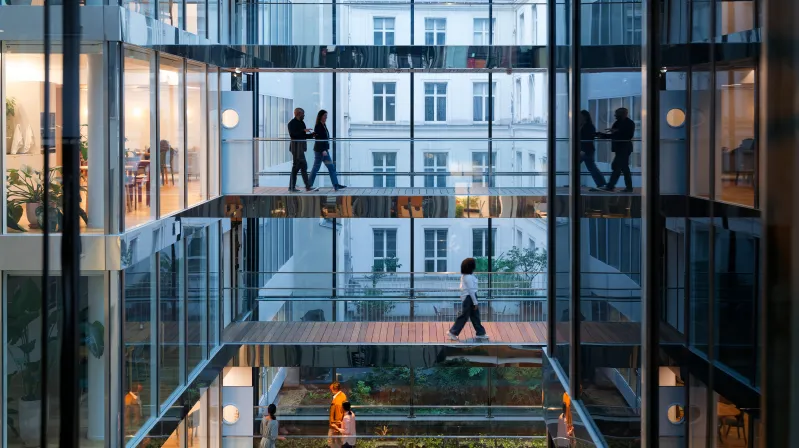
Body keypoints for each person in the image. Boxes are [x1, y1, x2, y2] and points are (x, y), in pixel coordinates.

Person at [447, 258, 488, 341]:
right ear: (471, 266)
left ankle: (480, 333)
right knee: (465, 316)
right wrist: (475, 302)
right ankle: (453, 332)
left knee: (475, 316)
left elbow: (463, 288)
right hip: (470, 297)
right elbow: (471, 290)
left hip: (468, 297)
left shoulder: (465, 276)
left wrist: (463, 297)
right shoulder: (468, 277)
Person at [597, 107, 636, 192]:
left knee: (618, 167)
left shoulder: (629, 123)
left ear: (623, 114)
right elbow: (613, 135)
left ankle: (611, 185)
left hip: (624, 148)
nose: (615, 116)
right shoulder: (618, 123)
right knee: (622, 167)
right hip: (620, 148)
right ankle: (626, 187)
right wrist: (602, 135)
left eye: (617, 114)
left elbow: (628, 135)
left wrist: (616, 131)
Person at [309, 109, 346, 191]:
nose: (326, 117)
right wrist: (323, 150)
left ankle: (335, 185)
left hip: (324, 151)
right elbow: (318, 139)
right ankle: (309, 185)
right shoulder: (318, 126)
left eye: (326, 115)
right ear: (321, 116)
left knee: (331, 167)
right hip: (320, 151)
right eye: (325, 115)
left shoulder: (323, 125)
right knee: (316, 168)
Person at [287, 108, 318, 192]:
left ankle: (301, 186)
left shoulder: (302, 123)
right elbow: (293, 135)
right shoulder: (291, 123)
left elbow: (302, 136)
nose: (304, 115)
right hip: (296, 148)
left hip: (300, 148)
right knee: (299, 166)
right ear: (298, 113)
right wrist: (303, 131)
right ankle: (298, 186)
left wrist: (311, 135)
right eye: (303, 114)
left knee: (300, 167)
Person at [578, 110, 606, 189]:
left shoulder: (589, 126)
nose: (579, 117)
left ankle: (601, 183)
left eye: (580, 116)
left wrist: (583, 150)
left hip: (586, 150)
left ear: (585, 117)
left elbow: (588, 139)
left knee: (590, 167)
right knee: (591, 167)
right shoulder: (582, 125)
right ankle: (601, 183)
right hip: (584, 150)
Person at [328, 382, 348, 448]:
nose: (330, 389)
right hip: (339, 426)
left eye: (331, 388)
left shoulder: (337, 402)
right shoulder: (342, 395)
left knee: (334, 443)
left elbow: (338, 416)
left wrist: (336, 429)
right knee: (338, 442)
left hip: (335, 426)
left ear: (334, 389)